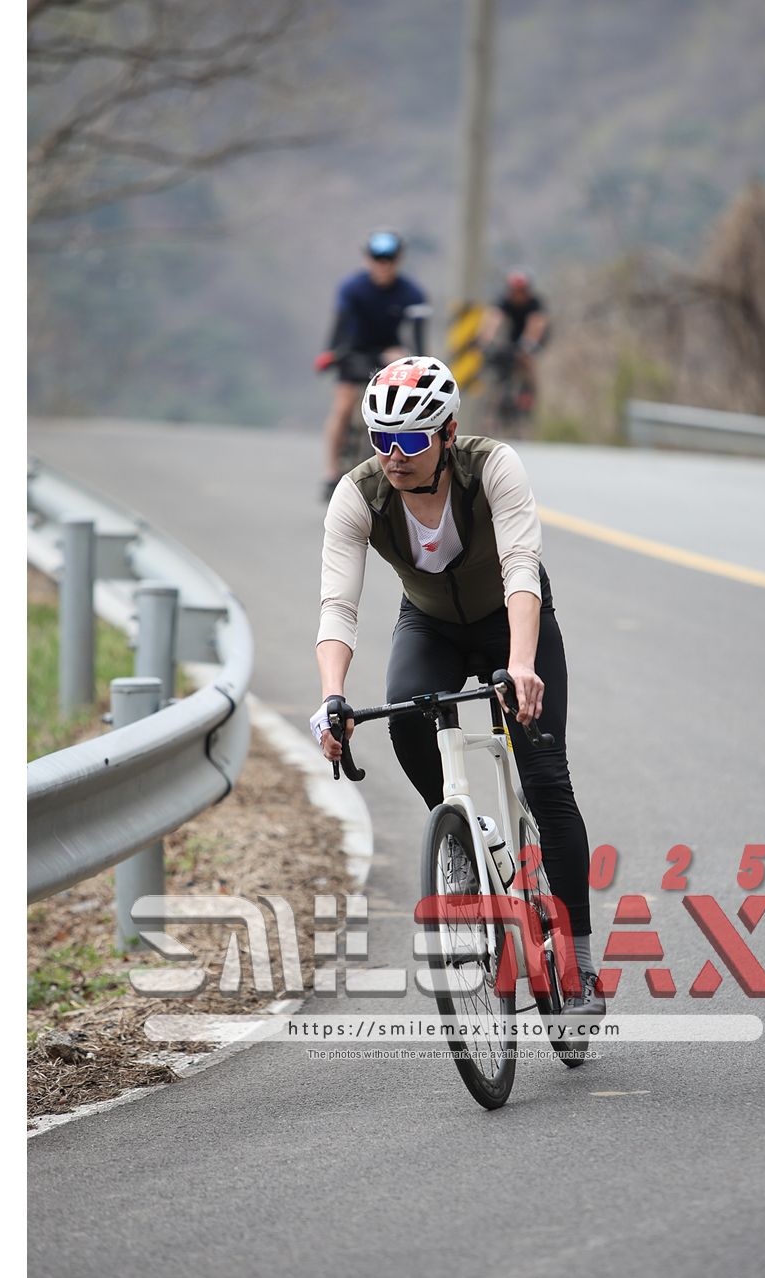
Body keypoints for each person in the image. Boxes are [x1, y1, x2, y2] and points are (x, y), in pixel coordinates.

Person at [309, 355, 605, 1015]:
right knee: (407, 718)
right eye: (380, 439)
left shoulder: (492, 466)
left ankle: (580, 965)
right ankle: (464, 843)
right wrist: (332, 696)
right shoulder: (358, 495)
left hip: (513, 619)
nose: (394, 455)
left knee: (546, 781)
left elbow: (521, 565)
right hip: (431, 624)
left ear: (447, 434)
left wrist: (522, 663)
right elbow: (338, 607)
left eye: (411, 440)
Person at [314, 229, 432, 500]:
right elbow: (340, 325)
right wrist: (331, 354)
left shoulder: (412, 292)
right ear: (368, 259)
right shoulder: (352, 287)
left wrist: (419, 363)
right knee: (343, 405)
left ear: (399, 260)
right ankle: (331, 472)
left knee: (394, 405)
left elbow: (418, 339)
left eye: (389, 259)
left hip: (386, 353)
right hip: (353, 351)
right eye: (378, 258)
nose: (383, 265)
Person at [475, 266, 549, 426]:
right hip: (513, 335)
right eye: (514, 291)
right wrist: (484, 341)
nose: (517, 295)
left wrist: (528, 345)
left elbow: (536, 324)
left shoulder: (535, 303)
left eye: (521, 291)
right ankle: (492, 409)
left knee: (526, 360)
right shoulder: (505, 301)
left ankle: (528, 394)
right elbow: (493, 319)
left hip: (534, 335)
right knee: (498, 362)